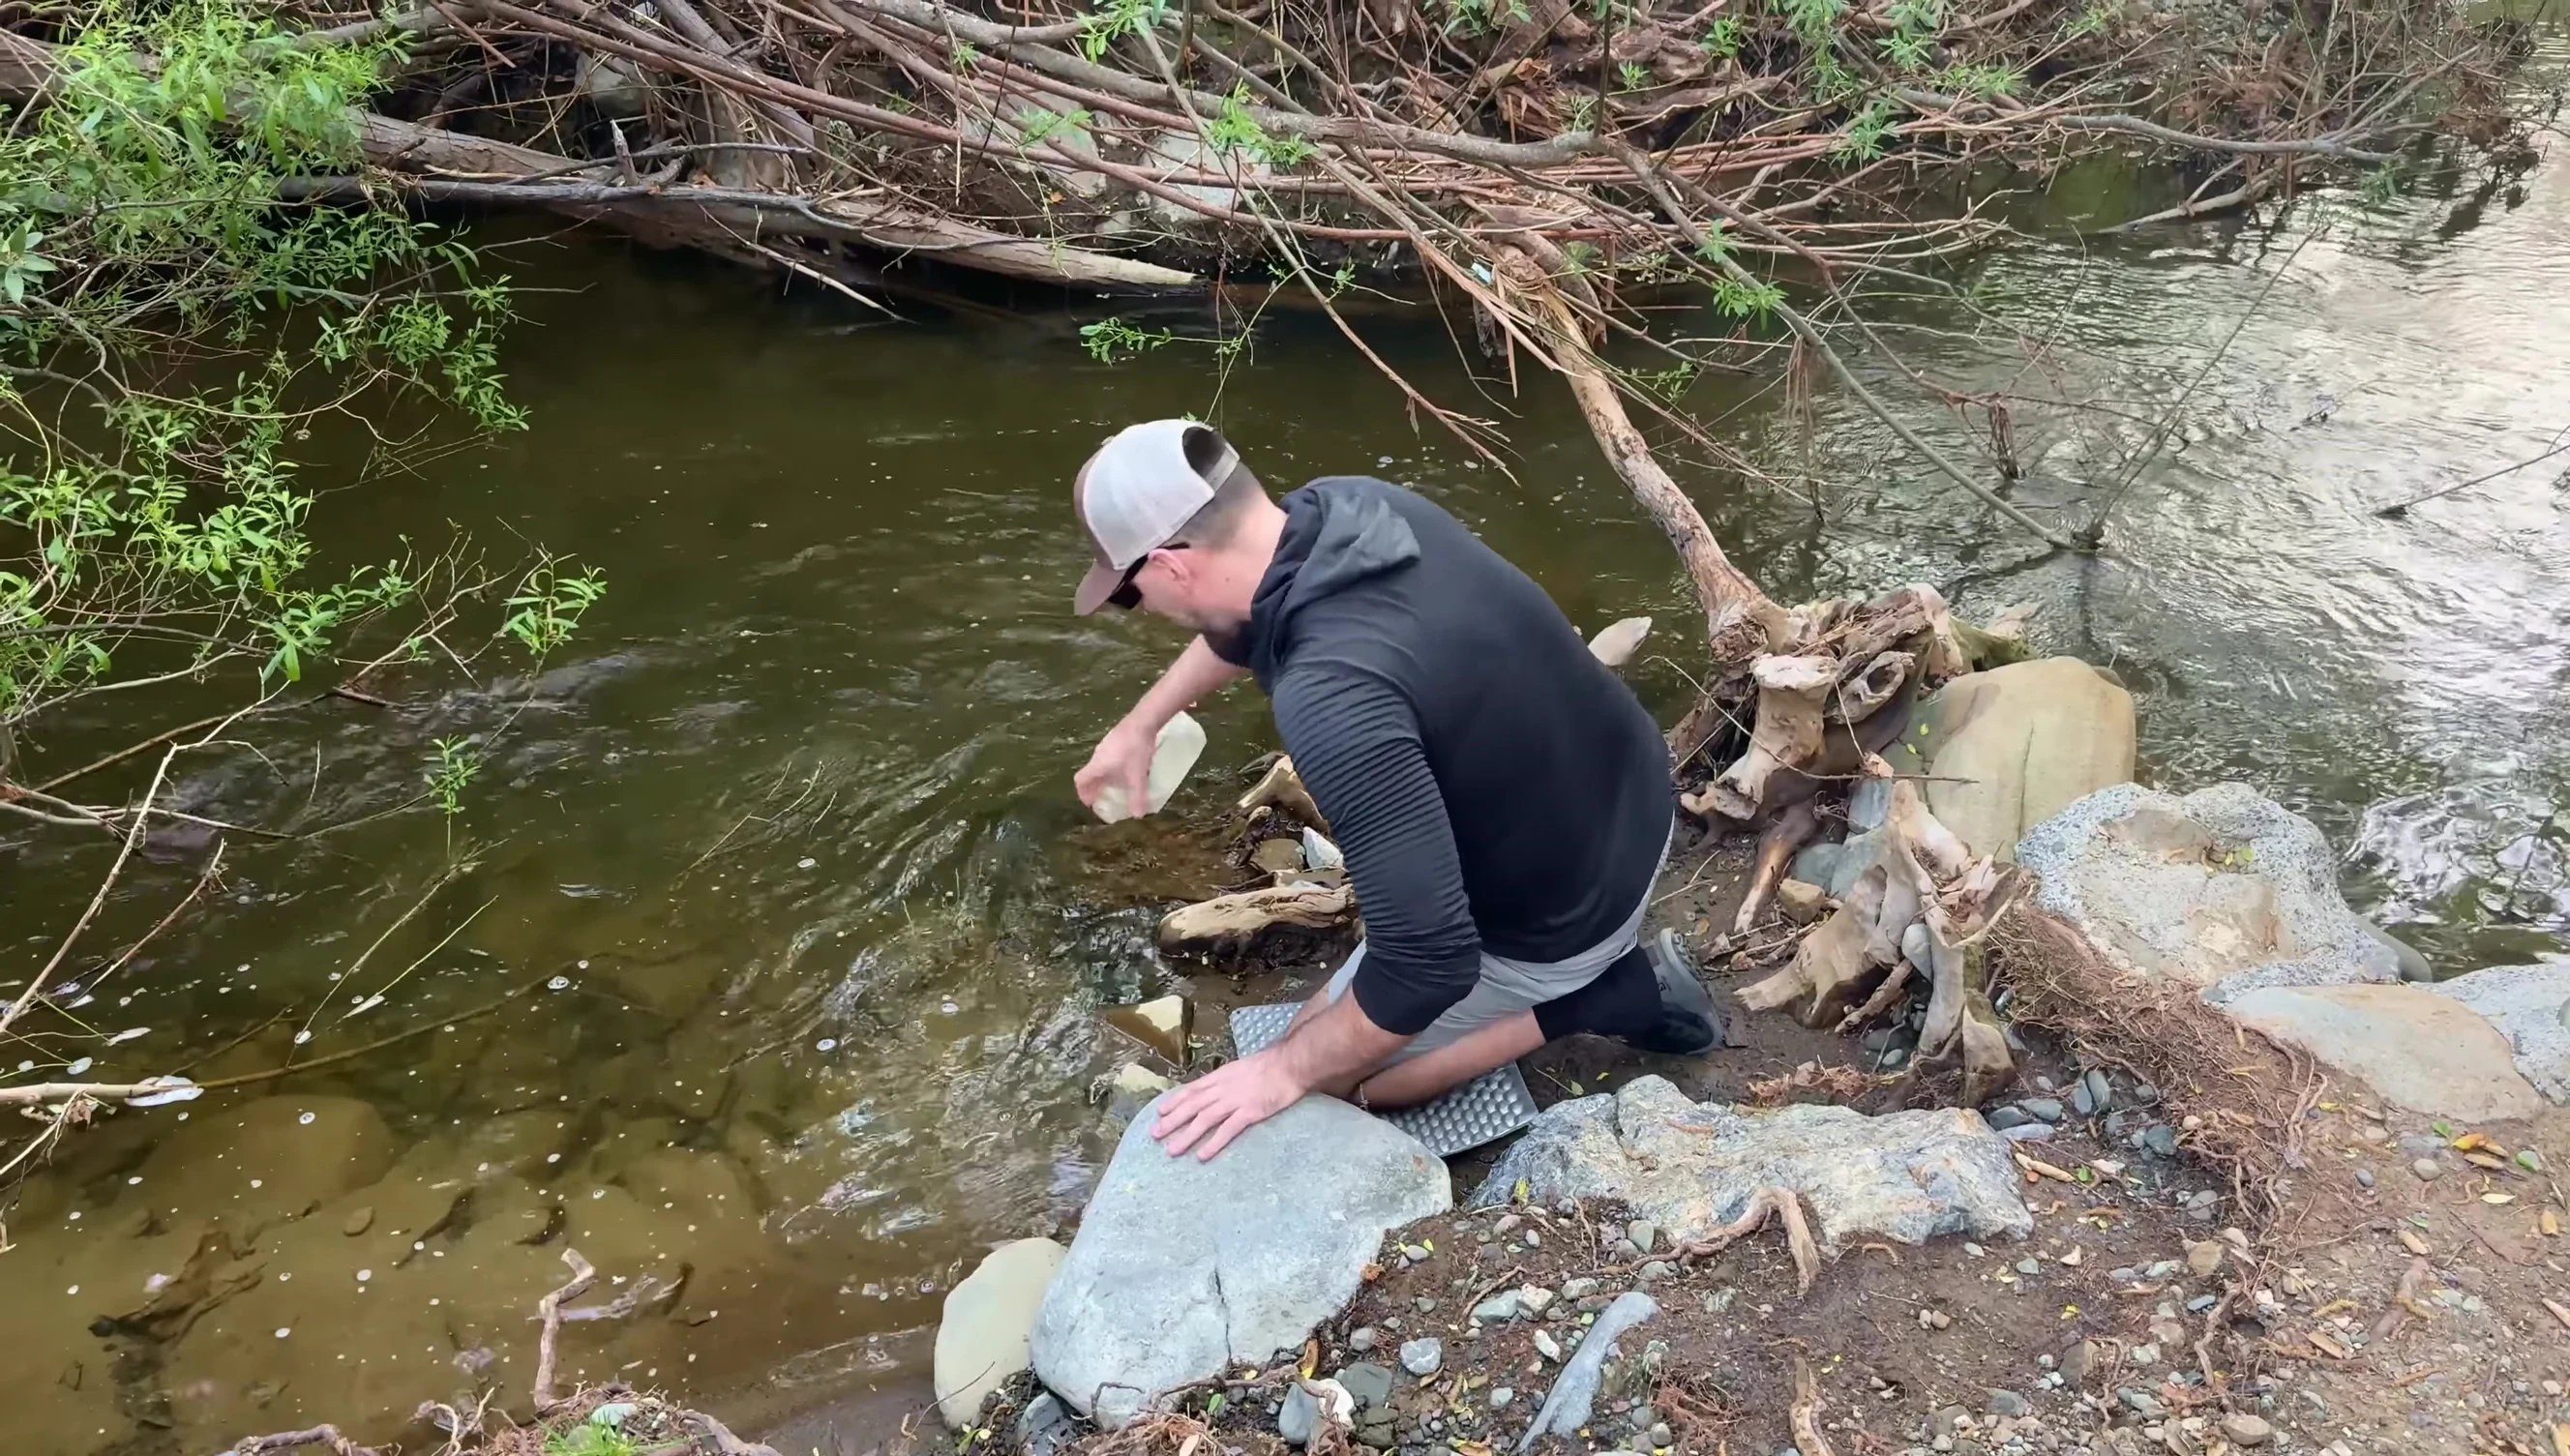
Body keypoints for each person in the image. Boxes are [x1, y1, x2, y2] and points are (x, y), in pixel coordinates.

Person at [1068, 419, 1719, 1162]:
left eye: (1128, 593)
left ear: (1170, 565)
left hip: (1573, 912)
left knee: (1327, 1083)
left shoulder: (1327, 694)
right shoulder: (1344, 511)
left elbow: (1427, 965)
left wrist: (1284, 1072)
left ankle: (1609, 995)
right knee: (1319, 1028)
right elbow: (1243, 629)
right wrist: (1142, 722)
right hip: (1631, 787)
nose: (1139, 608)